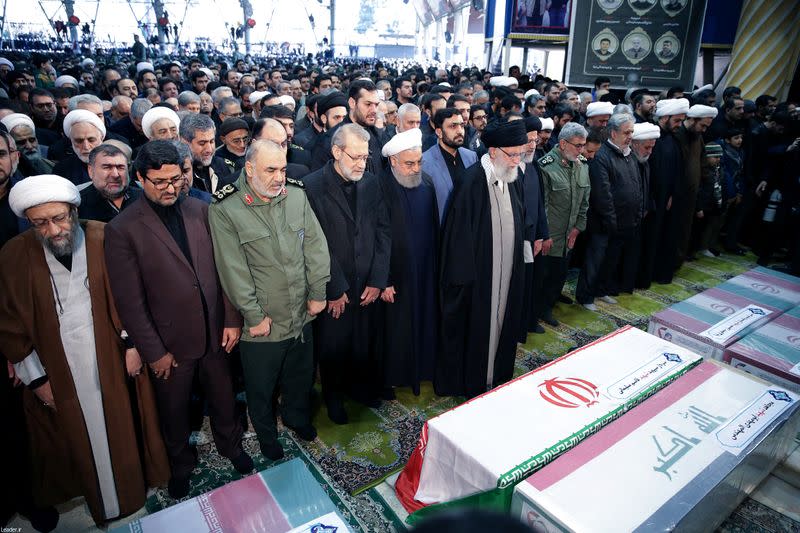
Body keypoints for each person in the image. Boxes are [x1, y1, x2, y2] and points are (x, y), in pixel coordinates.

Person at [0, 174, 170, 525]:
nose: (53, 230)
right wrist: (37, 380)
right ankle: (93, 497)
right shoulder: (14, 255)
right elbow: (10, 326)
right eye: (41, 223)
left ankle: (128, 494)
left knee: (122, 425)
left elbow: (130, 297)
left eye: (59, 218)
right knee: (73, 436)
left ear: (73, 212)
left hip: (109, 354)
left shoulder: (102, 236)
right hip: (56, 364)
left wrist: (133, 346)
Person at [104, 141, 253, 499]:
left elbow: (225, 270)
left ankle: (231, 447)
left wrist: (232, 320)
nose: (171, 188)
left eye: (176, 179)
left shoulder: (201, 209)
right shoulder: (122, 229)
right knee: (173, 412)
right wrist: (153, 352)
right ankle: (180, 465)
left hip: (216, 332)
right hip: (169, 344)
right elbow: (130, 302)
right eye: (160, 182)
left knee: (224, 398)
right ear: (139, 178)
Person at [209, 140, 330, 460]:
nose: (279, 177)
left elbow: (315, 247)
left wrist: (319, 292)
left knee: (300, 377)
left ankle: (296, 418)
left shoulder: (297, 195)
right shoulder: (225, 209)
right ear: (249, 169)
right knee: (261, 388)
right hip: (263, 322)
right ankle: (266, 436)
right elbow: (232, 270)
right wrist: (253, 315)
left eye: (283, 169)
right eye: (271, 170)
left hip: (302, 313)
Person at [303, 124, 391, 424]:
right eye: (355, 157)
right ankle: (334, 398)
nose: (361, 164)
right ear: (336, 151)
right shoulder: (311, 185)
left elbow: (383, 230)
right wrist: (334, 287)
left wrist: (378, 279)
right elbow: (315, 244)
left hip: (367, 284)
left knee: (363, 344)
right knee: (333, 348)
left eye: (365, 158)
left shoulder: (370, 182)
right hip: (334, 286)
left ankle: (360, 390)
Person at [436, 119, 527, 398]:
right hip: (477, 280)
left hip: (508, 272)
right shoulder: (470, 181)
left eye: (520, 154)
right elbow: (456, 240)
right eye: (512, 154)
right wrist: (465, 282)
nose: (516, 160)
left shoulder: (514, 177)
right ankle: (473, 383)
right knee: (475, 331)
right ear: (493, 152)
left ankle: (497, 376)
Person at [379, 129, 439, 395]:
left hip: (424, 271)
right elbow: (377, 238)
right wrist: (385, 279)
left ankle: (423, 368)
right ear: (393, 161)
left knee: (423, 319)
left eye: (418, 162)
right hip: (396, 276)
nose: (415, 169)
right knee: (396, 328)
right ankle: (395, 375)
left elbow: (434, 229)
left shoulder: (426, 182)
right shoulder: (379, 186)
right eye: (409, 164)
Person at [576, 114, 640, 310]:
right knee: (595, 260)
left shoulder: (629, 153)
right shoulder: (602, 156)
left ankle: (601, 290)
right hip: (604, 222)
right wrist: (611, 221)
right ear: (613, 133)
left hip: (624, 221)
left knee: (610, 260)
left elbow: (635, 185)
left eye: (631, 132)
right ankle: (585, 297)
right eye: (626, 132)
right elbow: (603, 194)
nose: (630, 136)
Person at [536, 123, 591, 326]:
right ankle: (541, 309)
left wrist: (578, 228)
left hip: (570, 232)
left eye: (583, 145)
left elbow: (585, 199)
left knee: (561, 272)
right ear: (562, 143)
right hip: (552, 234)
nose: (581, 150)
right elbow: (543, 206)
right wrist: (545, 235)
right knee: (545, 276)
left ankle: (552, 299)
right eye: (577, 145)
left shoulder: (581, 164)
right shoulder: (545, 166)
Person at [517, 116, 550, 336]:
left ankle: (528, 321)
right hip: (516, 238)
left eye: (535, 140)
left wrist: (541, 234)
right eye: (528, 140)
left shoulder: (533, 164)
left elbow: (539, 202)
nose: (532, 145)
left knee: (530, 282)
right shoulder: (506, 167)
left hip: (532, 238)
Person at [673, 104, 716, 268]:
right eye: (702, 125)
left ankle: (677, 264)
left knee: (685, 232)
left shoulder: (697, 137)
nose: (704, 130)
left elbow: (703, 164)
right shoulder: (677, 136)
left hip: (692, 196)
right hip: (675, 197)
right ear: (692, 119)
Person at [422, 108, 478, 222]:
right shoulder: (425, 162)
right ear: (439, 132)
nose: (460, 131)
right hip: (441, 231)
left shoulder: (472, 157)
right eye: (453, 126)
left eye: (461, 126)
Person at [79, 143, 141, 222]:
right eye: (107, 167)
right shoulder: (78, 206)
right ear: (91, 171)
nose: (115, 175)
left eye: (120, 167)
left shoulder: (145, 198)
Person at [180, 112, 235, 194]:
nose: (209, 149)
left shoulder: (222, 165)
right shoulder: (178, 174)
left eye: (212, 141)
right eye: (202, 143)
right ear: (185, 142)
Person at [52, 109, 106, 185]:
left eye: (91, 140)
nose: (86, 147)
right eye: (79, 141)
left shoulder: (116, 163)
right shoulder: (62, 169)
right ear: (71, 141)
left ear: (101, 138)